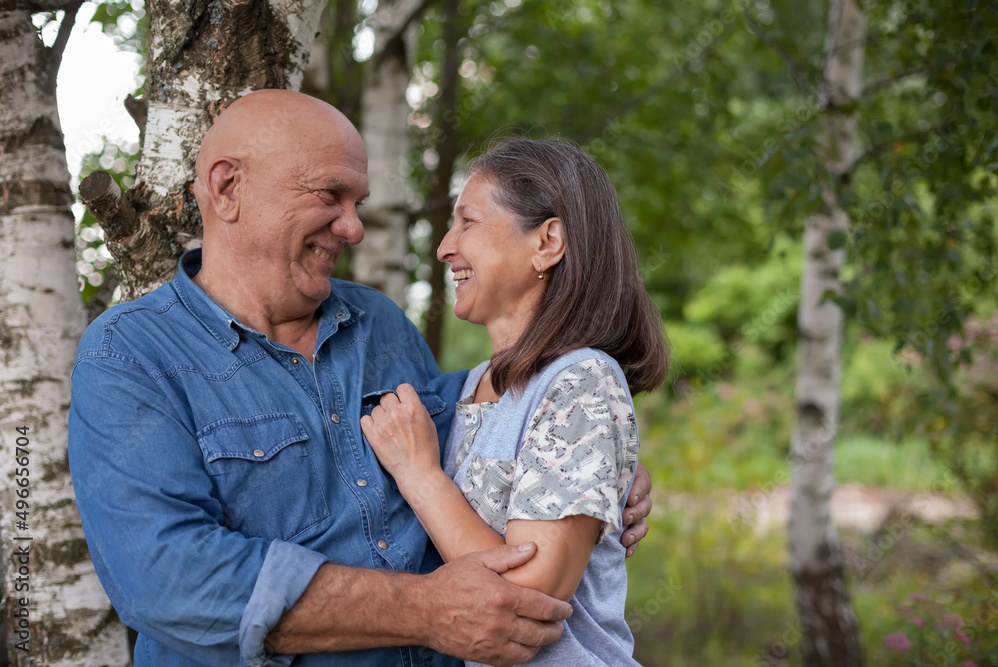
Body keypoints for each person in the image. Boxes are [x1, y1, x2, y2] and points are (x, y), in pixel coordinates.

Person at [67, 89, 652, 667]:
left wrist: (595, 462)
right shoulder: (129, 354)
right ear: (228, 189)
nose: (353, 228)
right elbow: (168, 579)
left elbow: (491, 428)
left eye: (359, 203)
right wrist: (425, 610)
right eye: (331, 194)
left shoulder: (378, 323)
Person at [361, 138, 669, 665]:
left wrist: (421, 476)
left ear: (548, 241)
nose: (444, 247)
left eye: (468, 222)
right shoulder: (470, 385)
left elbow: (528, 598)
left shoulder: (583, 380)